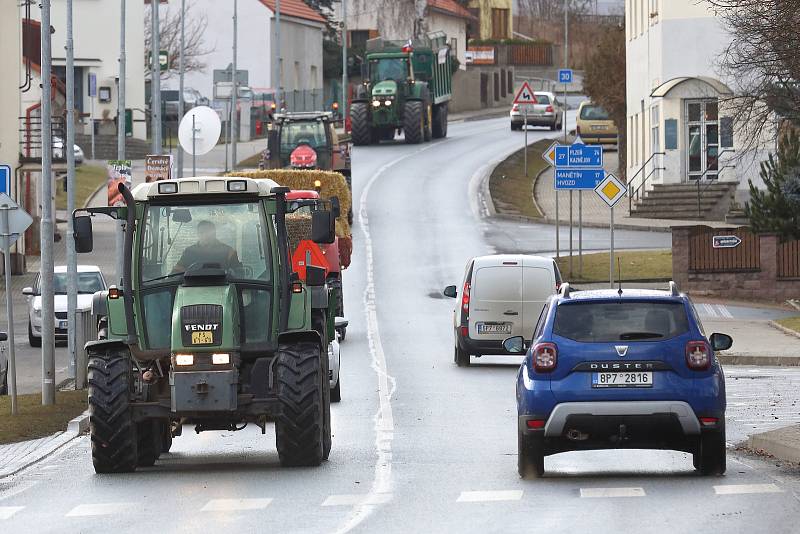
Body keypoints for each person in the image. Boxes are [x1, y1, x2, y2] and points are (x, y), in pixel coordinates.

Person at [173, 220, 242, 273]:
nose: (205, 235)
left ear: (214, 233)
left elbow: (238, 275)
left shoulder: (229, 252)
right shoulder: (189, 252)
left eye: (208, 232)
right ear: (198, 234)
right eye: (202, 232)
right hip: (192, 289)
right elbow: (176, 273)